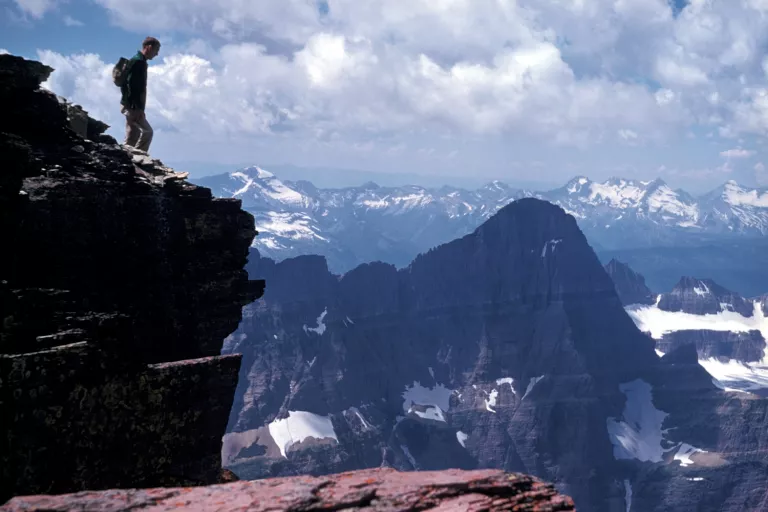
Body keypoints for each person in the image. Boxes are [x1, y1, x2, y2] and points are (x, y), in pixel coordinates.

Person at [120, 36, 161, 153]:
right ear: (149, 47)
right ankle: (138, 157)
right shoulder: (138, 62)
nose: (157, 54)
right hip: (132, 106)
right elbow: (131, 85)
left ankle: (126, 158)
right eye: (156, 50)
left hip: (129, 104)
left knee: (133, 133)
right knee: (147, 132)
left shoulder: (138, 61)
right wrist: (136, 107)